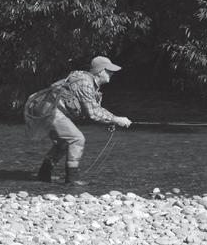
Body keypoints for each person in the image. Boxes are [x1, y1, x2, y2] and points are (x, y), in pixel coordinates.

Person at [24, 56, 132, 185]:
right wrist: (116, 119)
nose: (112, 74)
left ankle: (44, 175)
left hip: (46, 108)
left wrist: (112, 120)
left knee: (64, 142)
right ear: (100, 71)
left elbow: (93, 109)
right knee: (77, 139)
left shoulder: (89, 82)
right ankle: (72, 179)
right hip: (49, 110)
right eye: (109, 71)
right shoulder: (85, 83)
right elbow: (93, 112)